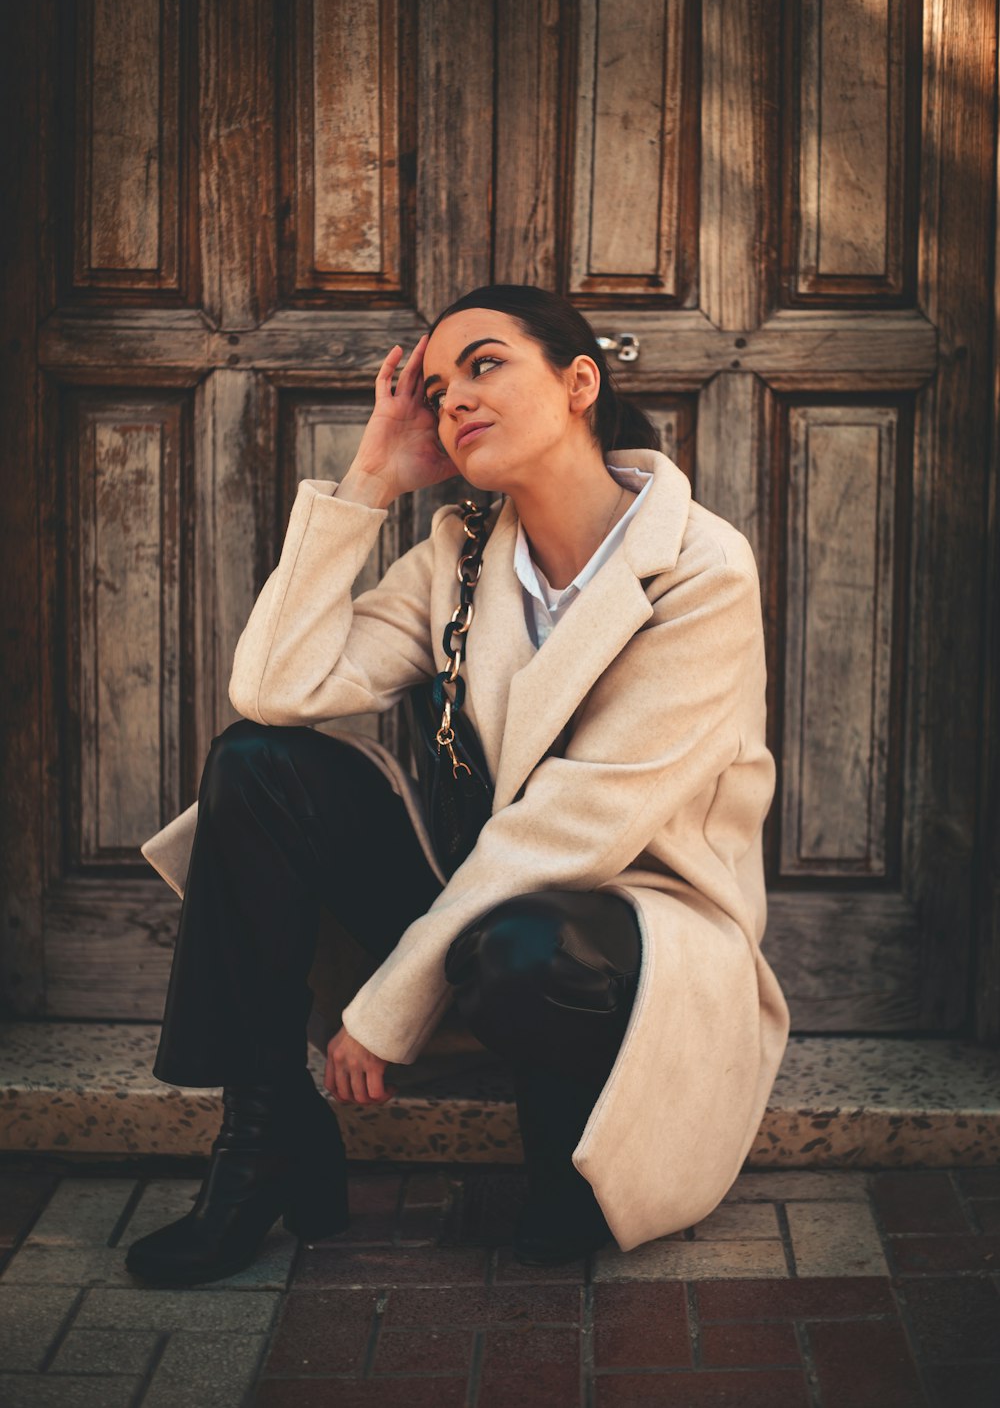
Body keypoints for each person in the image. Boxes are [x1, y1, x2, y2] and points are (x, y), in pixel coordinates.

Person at [127, 284, 790, 1288]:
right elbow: (275, 690)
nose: (454, 401)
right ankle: (265, 1134)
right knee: (255, 766)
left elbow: (577, 826)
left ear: (578, 383)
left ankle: (569, 1147)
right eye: (436, 389)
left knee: (531, 946)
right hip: (480, 894)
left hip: (633, 919)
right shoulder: (462, 557)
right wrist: (369, 481)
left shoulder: (699, 568)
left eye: (484, 365)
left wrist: (384, 1006)